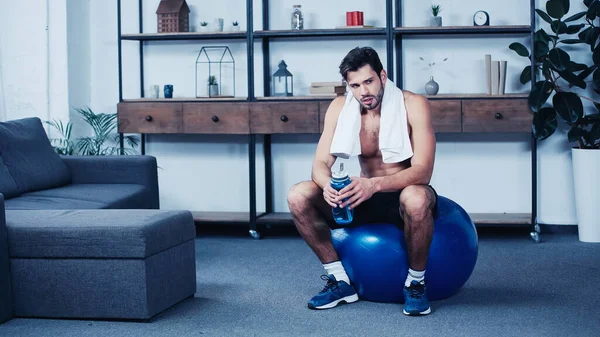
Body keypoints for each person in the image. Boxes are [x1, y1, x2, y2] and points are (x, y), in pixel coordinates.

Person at [286, 46, 437, 316]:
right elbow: (320, 165)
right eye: (355, 85)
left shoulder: (413, 104)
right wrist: (328, 186)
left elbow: (423, 171)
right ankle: (340, 281)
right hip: (361, 195)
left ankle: (416, 284)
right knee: (298, 194)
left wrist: (374, 185)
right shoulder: (340, 108)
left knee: (416, 197)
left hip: (401, 194)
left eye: (368, 82)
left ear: (383, 76)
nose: (363, 92)